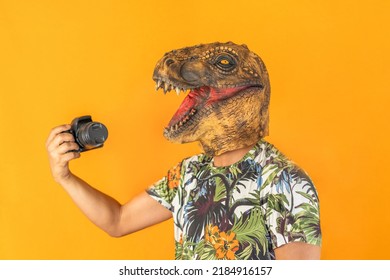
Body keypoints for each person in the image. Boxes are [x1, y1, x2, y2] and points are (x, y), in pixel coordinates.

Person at [46, 42, 321, 260]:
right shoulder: (189, 172)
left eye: (224, 63)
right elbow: (118, 220)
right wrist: (64, 177)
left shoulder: (285, 180)